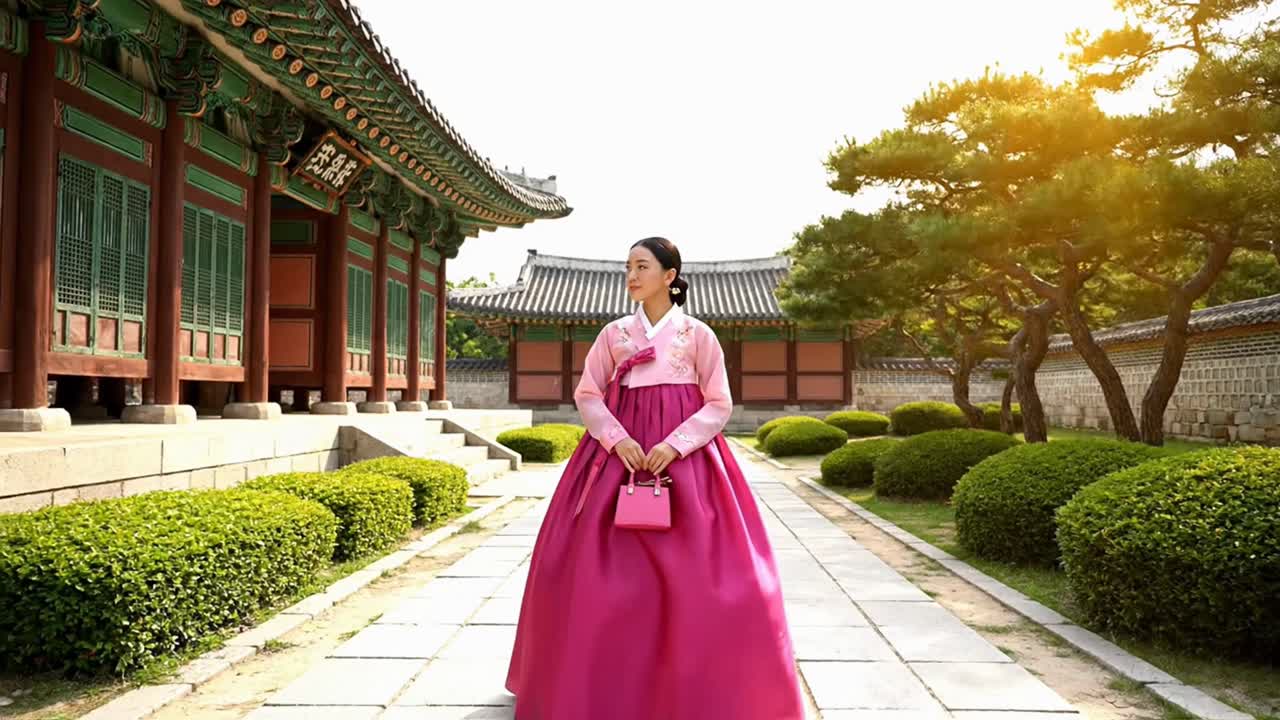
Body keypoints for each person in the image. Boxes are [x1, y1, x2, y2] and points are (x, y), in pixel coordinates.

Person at [505, 237, 804, 719]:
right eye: (628, 266)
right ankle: (595, 688)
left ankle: (705, 690)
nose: (631, 275)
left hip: (686, 458)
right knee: (587, 571)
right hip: (618, 454)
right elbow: (588, 394)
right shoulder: (613, 334)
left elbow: (719, 403)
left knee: (708, 575)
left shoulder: (698, 335)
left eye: (642, 266)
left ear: (670, 275)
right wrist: (616, 438)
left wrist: (675, 444)